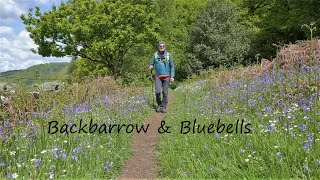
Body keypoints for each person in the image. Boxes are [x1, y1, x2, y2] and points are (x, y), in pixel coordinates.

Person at [149, 41, 175, 113]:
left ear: (165, 47)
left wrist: (172, 76)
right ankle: (159, 104)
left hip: (166, 76)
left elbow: (172, 66)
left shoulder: (169, 55)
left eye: (163, 46)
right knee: (157, 92)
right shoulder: (155, 55)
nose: (162, 47)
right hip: (158, 76)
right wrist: (151, 66)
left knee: (165, 92)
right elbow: (151, 63)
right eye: (160, 46)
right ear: (159, 47)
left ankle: (164, 107)